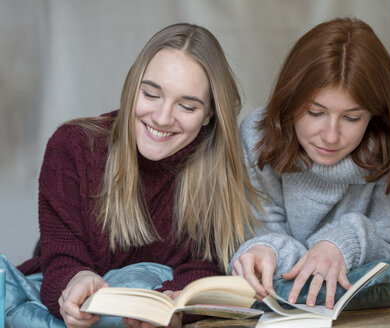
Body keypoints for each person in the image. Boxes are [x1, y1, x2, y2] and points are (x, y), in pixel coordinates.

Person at [5, 23, 259, 328]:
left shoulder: (215, 168)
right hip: (60, 289)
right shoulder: (72, 146)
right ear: (132, 87)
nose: (162, 118)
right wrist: (75, 280)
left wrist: (174, 307)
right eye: (151, 94)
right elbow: (61, 258)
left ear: (208, 115)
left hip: (145, 295)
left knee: (142, 280)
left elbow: (205, 268)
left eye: (187, 106)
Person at [230, 17, 390, 311]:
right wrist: (267, 247)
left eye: (352, 118)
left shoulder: (388, 143)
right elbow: (262, 232)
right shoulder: (256, 136)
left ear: (374, 117)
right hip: (326, 234)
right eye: (315, 112)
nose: (330, 136)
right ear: (290, 101)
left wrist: (343, 240)